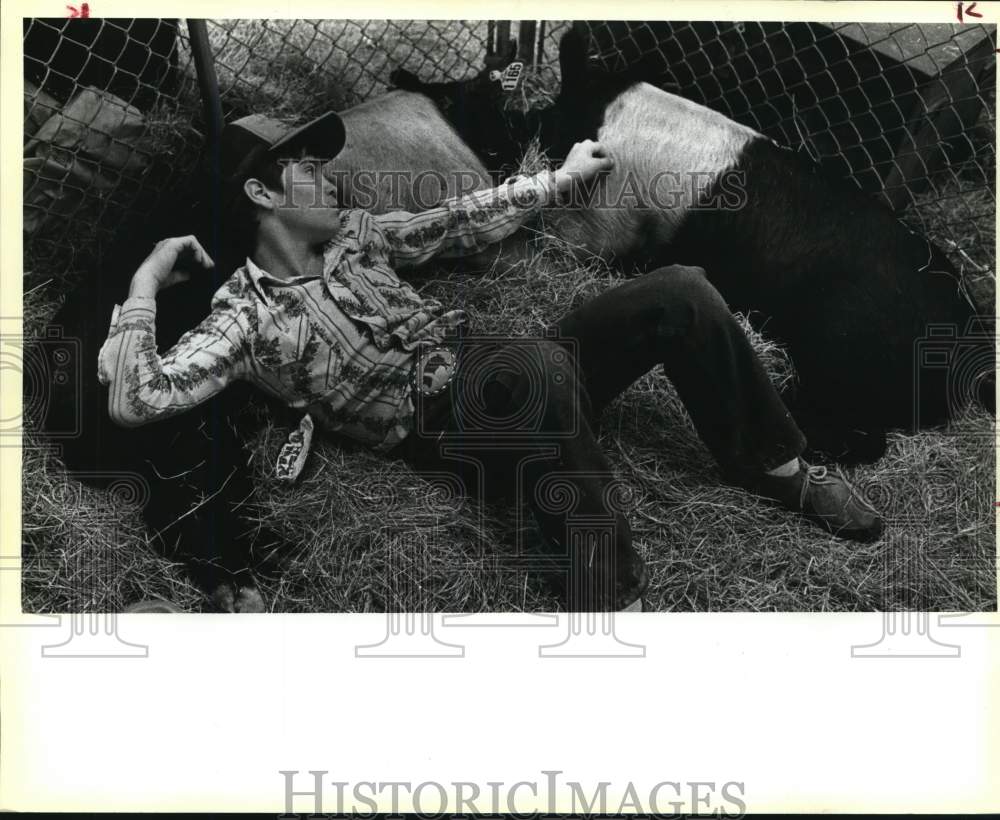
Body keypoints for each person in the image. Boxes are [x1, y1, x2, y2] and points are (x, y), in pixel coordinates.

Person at [98, 110, 883, 612]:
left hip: (502, 369)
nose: (328, 175)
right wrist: (147, 279)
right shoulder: (244, 314)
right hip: (445, 424)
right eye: (307, 167)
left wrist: (560, 178)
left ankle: (778, 467)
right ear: (264, 197)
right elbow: (140, 397)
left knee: (680, 290)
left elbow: (456, 222)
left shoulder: (356, 237)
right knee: (535, 368)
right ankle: (608, 598)